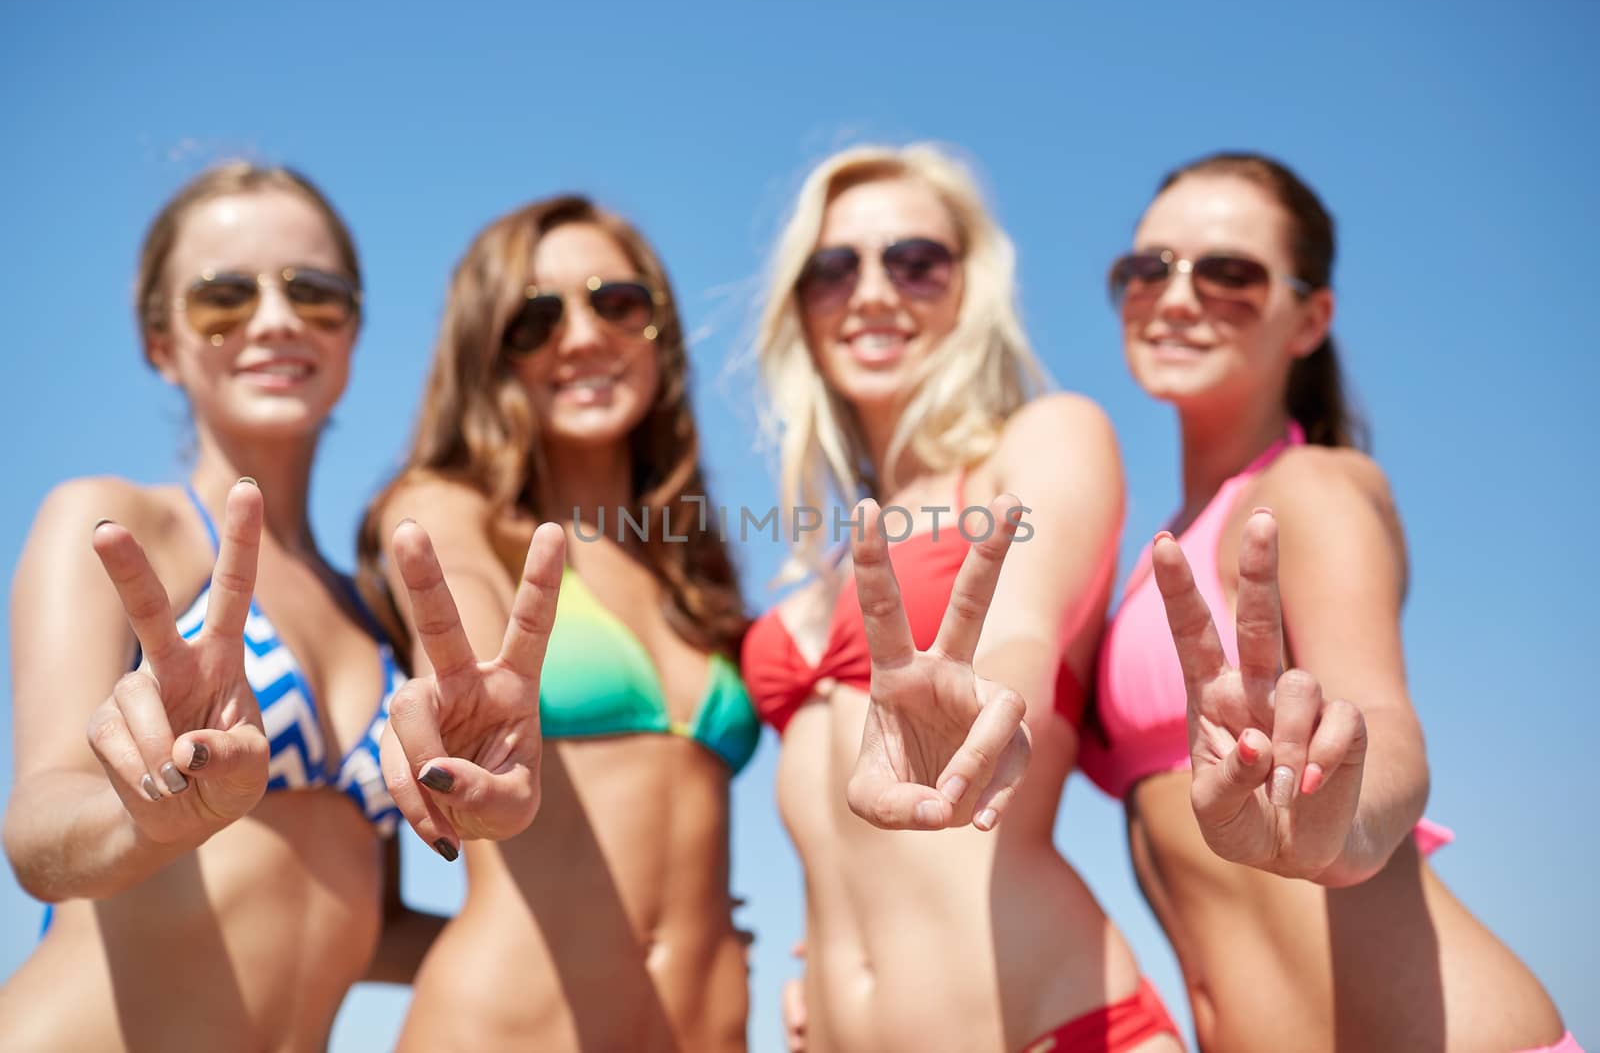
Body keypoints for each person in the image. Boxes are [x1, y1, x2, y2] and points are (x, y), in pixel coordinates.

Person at [1083, 150, 1579, 1052]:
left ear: (1310, 317)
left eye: (1230, 274)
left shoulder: (1310, 490)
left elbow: (1383, 712)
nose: (1178, 296)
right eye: (1147, 267)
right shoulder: (1162, 550)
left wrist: (1346, 832)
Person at [740, 144, 1183, 1052]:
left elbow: (1021, 624)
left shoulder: (1041, 442)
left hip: (1053, 1028)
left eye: (914, 261)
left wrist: (988, 693)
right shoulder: (827, 560)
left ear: (968, 288)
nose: (871, 292)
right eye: (834, 267)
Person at [0, 162, 441, 1050]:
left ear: (352, 329)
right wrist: (145, 823)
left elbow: (363, 917)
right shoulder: (118, 528)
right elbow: (37, 826)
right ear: (162, 343)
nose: (275, 320)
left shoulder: (375, 613)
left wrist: (626, 941)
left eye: (314, 292)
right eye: (223, 296)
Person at [357, 193, 758, 1051]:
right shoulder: (451, 510)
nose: (582, 337)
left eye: (618, 303)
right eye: (536, 319)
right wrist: (453, 699)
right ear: (489, 353)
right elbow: (451, 604)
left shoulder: (689, 567)